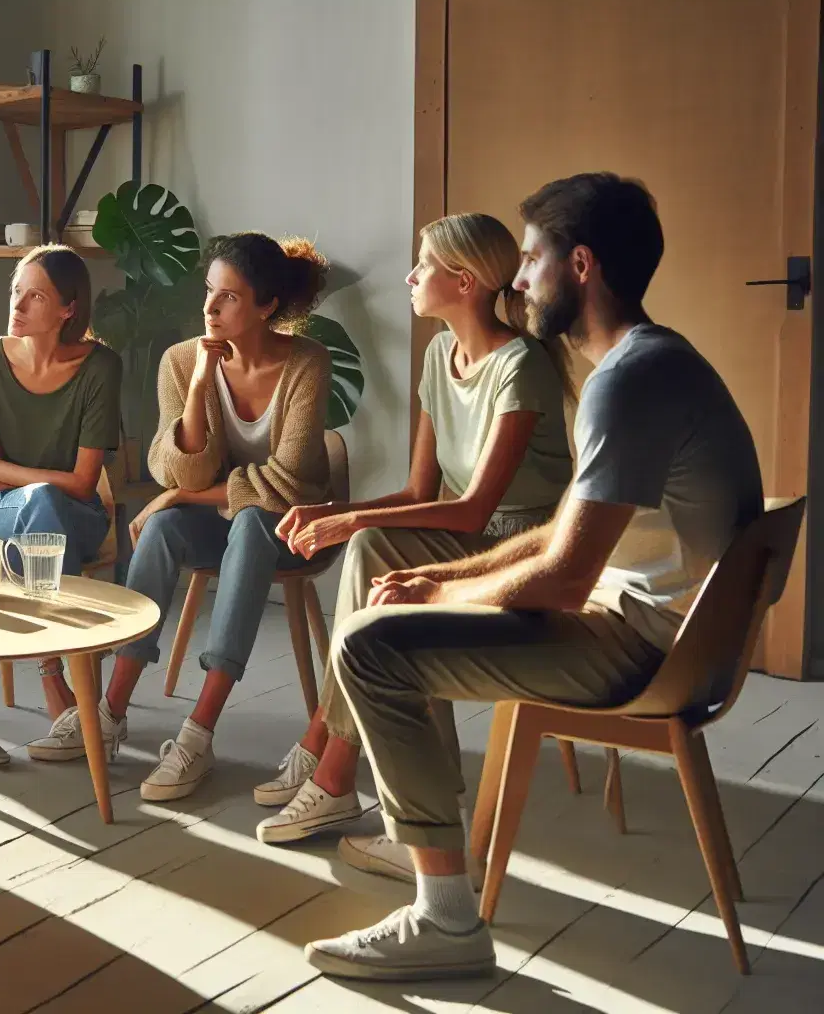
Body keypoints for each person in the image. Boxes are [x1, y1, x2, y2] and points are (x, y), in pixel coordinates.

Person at [305, 173, 763, 981]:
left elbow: (561, 576)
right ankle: (393, 824)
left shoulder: (626, 381)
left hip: (654, 648)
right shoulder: (651, 363)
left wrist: (440, 592)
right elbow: (562, 529)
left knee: (371, 650)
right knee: (393, 602)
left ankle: (446, 920)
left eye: (529, 258)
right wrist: (446, 577)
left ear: (579, 265)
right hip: (666, 625)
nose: (516, 280)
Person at [252, 214, 574, 857]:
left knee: (374, 551)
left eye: (422, 265)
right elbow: (419, 496)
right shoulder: (437, 355)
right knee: (374, 548)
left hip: (522, 546)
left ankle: (331, 757)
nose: (410, 276)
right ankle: (355, 769)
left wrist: (352, 521)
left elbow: (477, 510)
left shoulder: (522, 366)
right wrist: (329, 512)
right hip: (471, 534)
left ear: (465, 281)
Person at [36, 233, 334, 798]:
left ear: (267, 307)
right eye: (208, 292)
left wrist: (177, 497)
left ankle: (198, 734)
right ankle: (109, 711)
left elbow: (289, 485)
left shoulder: (306, 363)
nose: (210, 308)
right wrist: (200, 383)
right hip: (221, 522)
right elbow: (181, 473)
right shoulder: (181, 360)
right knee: (170, 526)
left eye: (229, 298)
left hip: (298, 528)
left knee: (241, 521)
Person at [0, 245, 123, 767]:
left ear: (68, 309)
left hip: (78, 516)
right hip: (1, 514)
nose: (18, 303)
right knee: (38, 504)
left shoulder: (100, 366)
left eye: (36, 295)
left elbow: (85, 484)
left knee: (46, 505)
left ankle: (55, 675)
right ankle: (61, 675)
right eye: (17, 290)